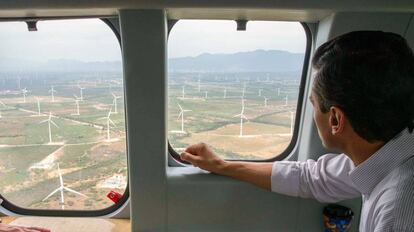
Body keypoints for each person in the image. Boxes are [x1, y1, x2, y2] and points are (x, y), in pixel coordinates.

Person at [180, 31, 414, 231]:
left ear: (335, 119)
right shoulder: (380, 156)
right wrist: (222, 166)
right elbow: (310, 178)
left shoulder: (398, 212)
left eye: (313, 104)